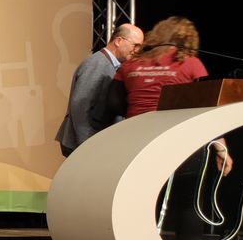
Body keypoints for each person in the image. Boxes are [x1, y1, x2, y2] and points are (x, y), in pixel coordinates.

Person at [110, 16, 230, 175]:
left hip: (135, 143)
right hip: (178, 144)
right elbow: (206, 109)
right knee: (179, 197)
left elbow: (113, 103)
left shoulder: (129, 65)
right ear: (188, 39)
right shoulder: (191, 64)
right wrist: (221, 148)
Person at [54, 23, 143, 157]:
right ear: (118, 41)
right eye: (135, 45)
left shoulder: (111, 66)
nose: (137, 51)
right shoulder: (97, 64)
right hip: (81, 144)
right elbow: (80, 106)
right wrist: (87, 146)